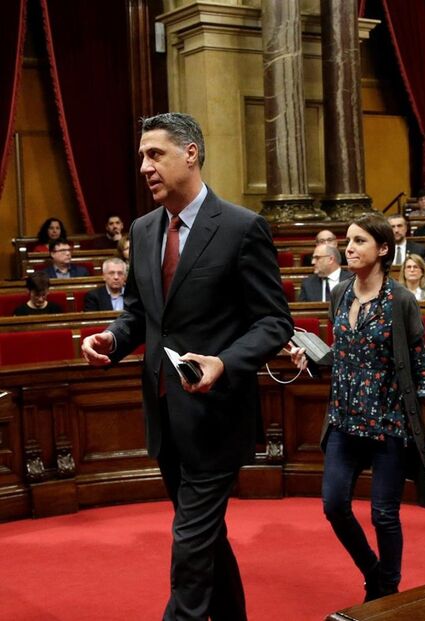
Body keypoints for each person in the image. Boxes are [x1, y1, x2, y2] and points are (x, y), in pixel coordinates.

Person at [80, 112, 293, 620]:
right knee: (206, 538)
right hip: (164, 415)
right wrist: (112, 338)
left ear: (191, 152)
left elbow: (273, 322)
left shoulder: (242, 227)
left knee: (191, 548)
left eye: (155, 154)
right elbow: (141, 315)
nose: (144, 167)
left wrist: (225, 361)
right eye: (141, 158)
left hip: (216, 415)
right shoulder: (143, 228)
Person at [289, 213, 425, 602]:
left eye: (359, 241)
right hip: (344, 420)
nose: (350, 248)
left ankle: (388, 592)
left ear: (383, 249)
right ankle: (375, 573)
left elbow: (420, 364)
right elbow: (342, 355)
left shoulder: (402, 301)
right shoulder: (341, 293)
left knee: (383, 515)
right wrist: (310, 358)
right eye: (349, 240)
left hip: (389, 423)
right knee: (334, 505)